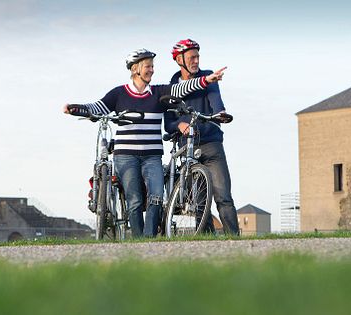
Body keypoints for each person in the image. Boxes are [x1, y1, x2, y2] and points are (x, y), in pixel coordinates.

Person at [64, 48, 226, 238]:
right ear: (135, 69)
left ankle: (149, 240)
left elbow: (182, 88)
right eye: (148, 66)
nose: (152, 70)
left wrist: (206, 80)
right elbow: (97, 107)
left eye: (152, 66)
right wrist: (76, 108)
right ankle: (138, 241)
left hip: (152, 156)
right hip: (126, 156)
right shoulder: (119, 94)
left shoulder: (158, 93)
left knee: (156, 196)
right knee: (134, 200)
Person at [164, 39, 240, 235]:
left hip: (211, 144)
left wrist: (220, 113)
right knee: (198, 203)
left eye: (198, 56)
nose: (196, 61)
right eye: (192, 57)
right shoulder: (172, 86)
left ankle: (235, 240)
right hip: (188, 147)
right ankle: (205, 242)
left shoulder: (208, 77)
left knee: (223, 197)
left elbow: (216, 101)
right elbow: (169, 122)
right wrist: (178, 124)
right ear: (179, 60)